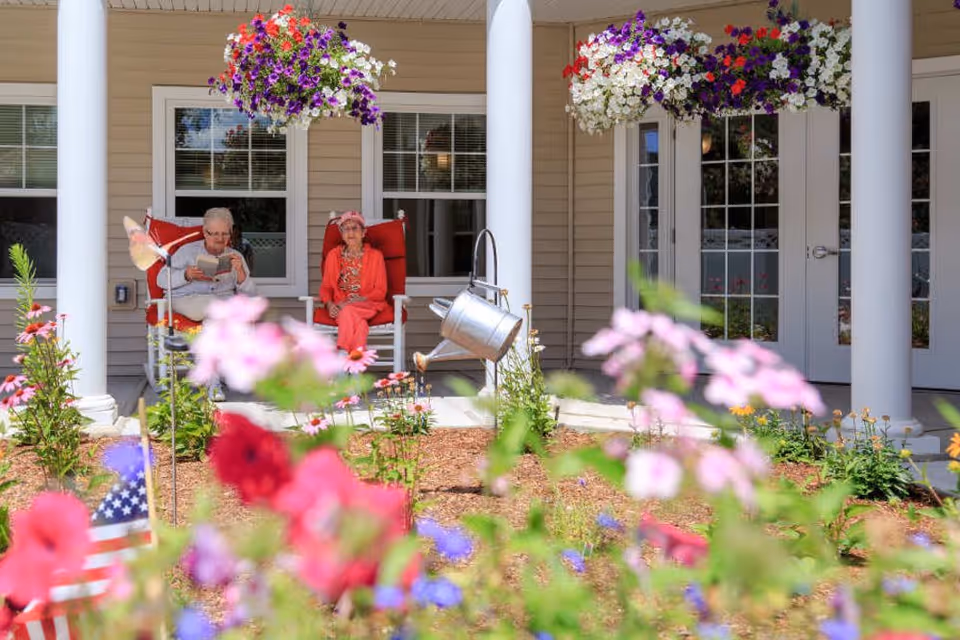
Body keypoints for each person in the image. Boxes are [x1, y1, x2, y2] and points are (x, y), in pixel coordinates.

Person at [158, 207, 256, 400]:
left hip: (218, 305)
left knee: (215, 321)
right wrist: (187, 274)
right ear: (205, 232)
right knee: (217, 309)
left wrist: (241, 273)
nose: (220, 238)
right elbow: (161, 279)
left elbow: (250, 292)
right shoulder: (187, 251)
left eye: (224, 234)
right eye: (215, 234)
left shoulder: (235, 256)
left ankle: (217, 378)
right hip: (186, 298)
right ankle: (215, 380)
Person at [319, 211, 388, 353]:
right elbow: (326, 287)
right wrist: (330, 304)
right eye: (346, 229)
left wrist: (361, 298)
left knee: (347, 310)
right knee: (361, 325)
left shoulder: (376, 256)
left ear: (363, 232)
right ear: (342, 234)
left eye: (355, 228)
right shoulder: (334, 255)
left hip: (367, 304)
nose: (351, 233)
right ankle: (356, 364)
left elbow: (381, 291)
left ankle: (342, 352)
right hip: (341, 306)